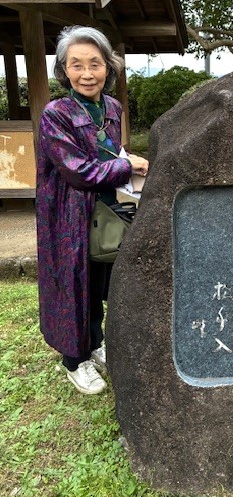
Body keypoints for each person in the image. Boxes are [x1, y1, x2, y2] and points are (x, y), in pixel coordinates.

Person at [36, 25, 149, 395]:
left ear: (108, 67)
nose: (87, 73)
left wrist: (125, 163)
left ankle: (95, 342)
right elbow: (78, 171)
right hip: (67, 214)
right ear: (64, 70)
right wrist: (126, 166)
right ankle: (74, 360)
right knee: (72, 285)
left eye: (95, 64)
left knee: (101, 279)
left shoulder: (112, 107)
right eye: (77, 64)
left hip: (104, 208)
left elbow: (110, 152)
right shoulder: (56, 114)